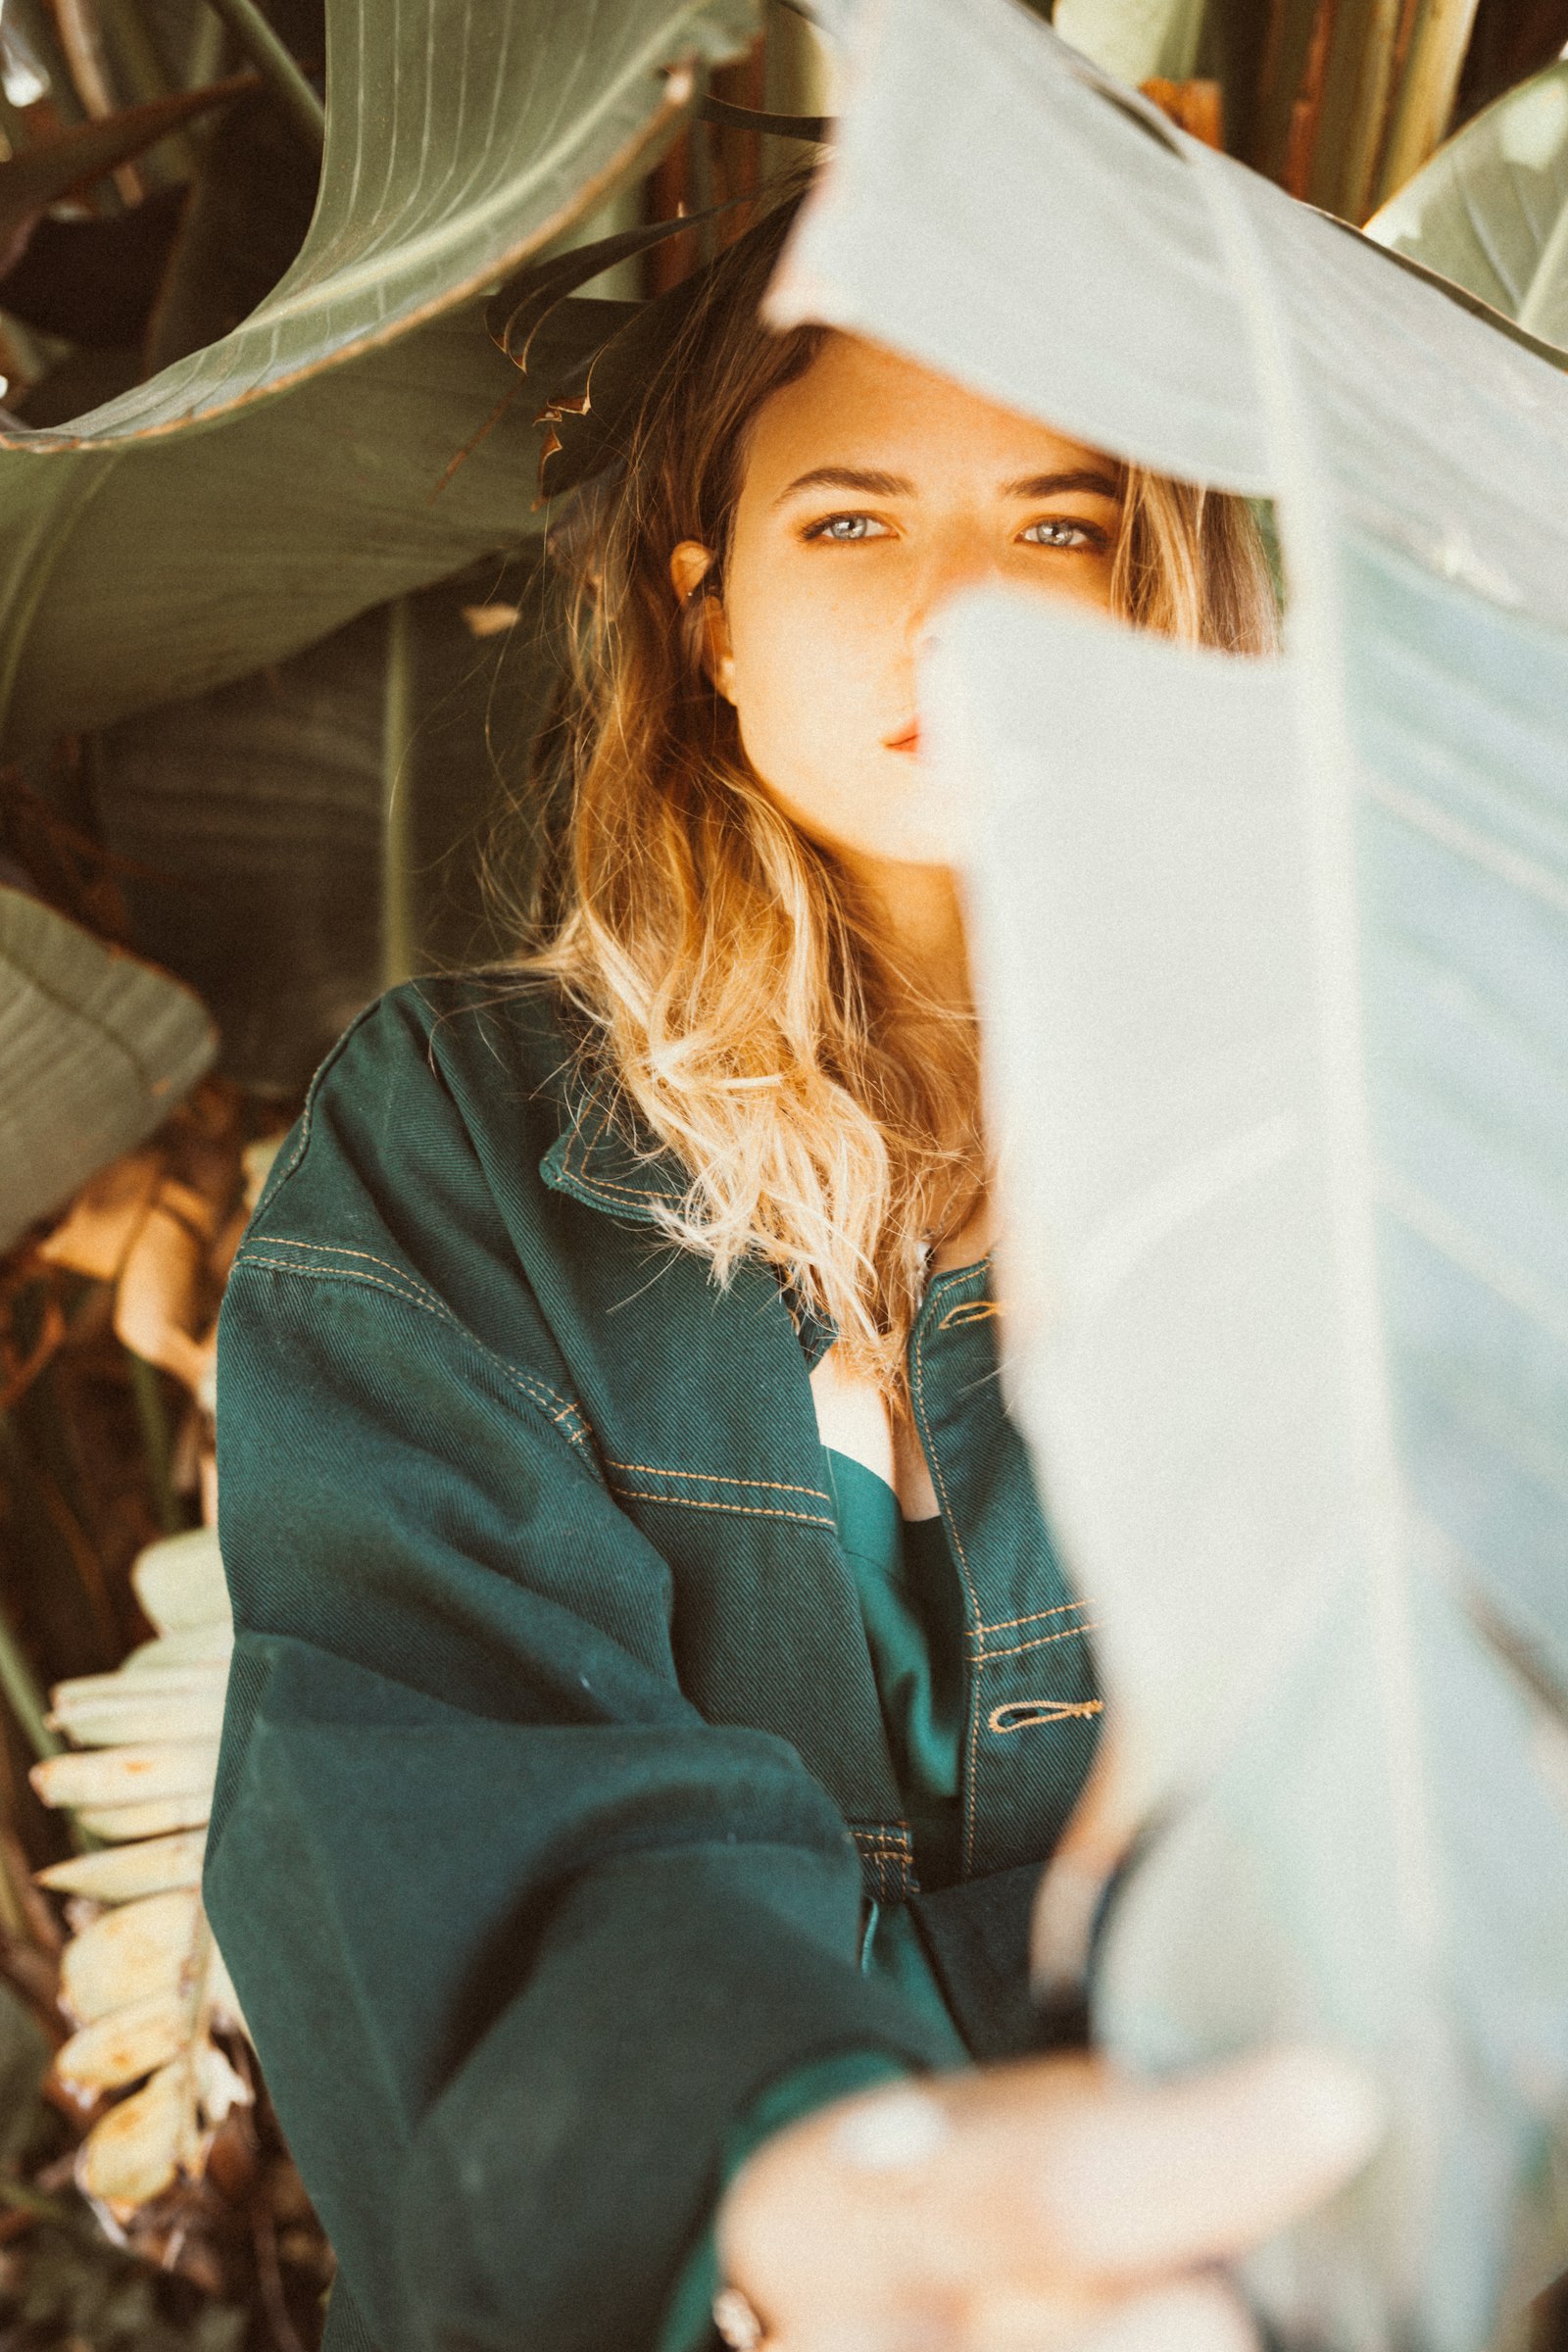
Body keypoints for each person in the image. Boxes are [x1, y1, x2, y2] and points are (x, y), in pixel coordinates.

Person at [208, 177, 1382, 2352]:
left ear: (1180, 594)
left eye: (1064, 526)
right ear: (710, 613)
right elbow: (417, 1764)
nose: (968, 610)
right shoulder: (465, 1136)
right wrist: (785, 2171)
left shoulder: (1377, 1125)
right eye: (850, 523)